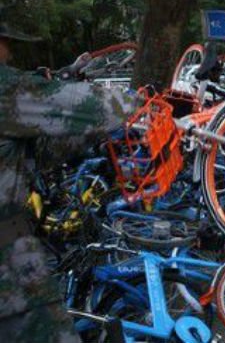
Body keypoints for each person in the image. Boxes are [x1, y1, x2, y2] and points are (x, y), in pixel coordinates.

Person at [0, 21, 136, 342]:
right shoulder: (8, 88)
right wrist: (138, 100)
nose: (9, 51)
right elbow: (105, 107)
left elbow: (36, 152)